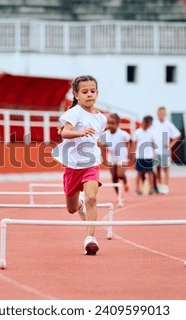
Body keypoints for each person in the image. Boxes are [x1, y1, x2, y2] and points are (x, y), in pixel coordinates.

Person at [52, 75, 107, 255]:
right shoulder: (74, 112)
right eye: (85, 92)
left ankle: (90, 238)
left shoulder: (101, 118)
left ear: (97, 93)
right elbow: (65, 133)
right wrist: (80, 132)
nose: (89, 95)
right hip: (72, 165)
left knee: (92, 197)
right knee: (71, 208)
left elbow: (95, 139)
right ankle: (80, 205)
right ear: (76, 94)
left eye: (92, 91)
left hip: (91, 163)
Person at [152, 106, 181, 195]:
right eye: (159, 113)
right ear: (157, 114)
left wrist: (170, 145)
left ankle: (165, 185)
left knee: (166, 168)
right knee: (158, 168)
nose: (161, 115)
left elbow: (177, 135)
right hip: (156, 150)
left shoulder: (168, 124)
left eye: (162, 113)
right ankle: (160, 184)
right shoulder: (154, 124)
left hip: (164, 150)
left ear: (165, 114)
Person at [100, 113, 132, 193]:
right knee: (114, 177)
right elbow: (101, 146)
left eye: (113, 123)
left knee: (119, 175)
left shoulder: (122, 133)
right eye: (109, 123)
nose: (110, 125)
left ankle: (125, 180)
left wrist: (131, 151)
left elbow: (131, 140)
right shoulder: (105, 135)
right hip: (111, 156)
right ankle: (119, 195)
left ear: (117, 124)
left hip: (122, 156)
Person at [130, 115, 156, 195]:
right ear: (144, 122)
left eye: (149, 124)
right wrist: (132, 153)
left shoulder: (151, 132)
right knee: (139, 172)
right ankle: (137, 189)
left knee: (150, 172)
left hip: (149, 156)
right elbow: (134, 144)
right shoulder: (137, 132)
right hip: (139, 155)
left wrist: (154, 154)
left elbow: (153, 144)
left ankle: (151, 189)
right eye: (147, 123)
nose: (148, 125)